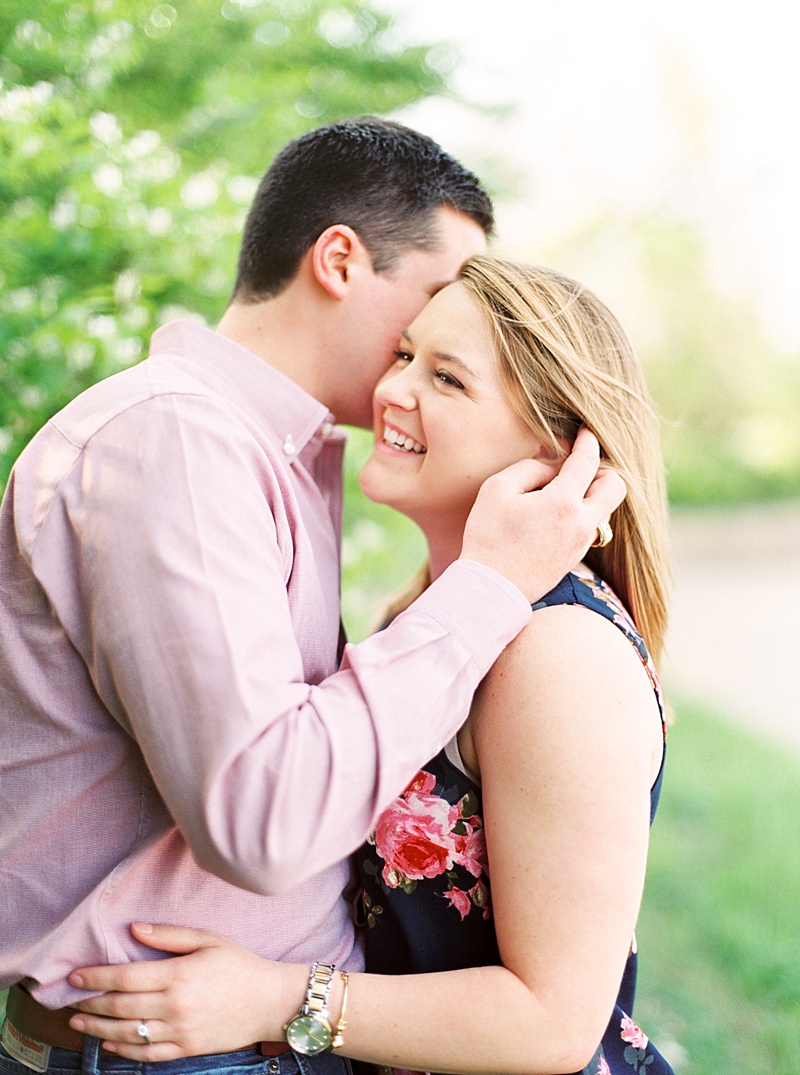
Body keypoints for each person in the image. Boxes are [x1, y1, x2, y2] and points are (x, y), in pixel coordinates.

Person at [0, 118, 622, 1075]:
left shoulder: (273, 459)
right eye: (423, 315)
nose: (410, 372)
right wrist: (488, 585)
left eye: (449, 368)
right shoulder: (177, 442)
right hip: (168, 1050)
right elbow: (267, 819)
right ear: (340, 259)